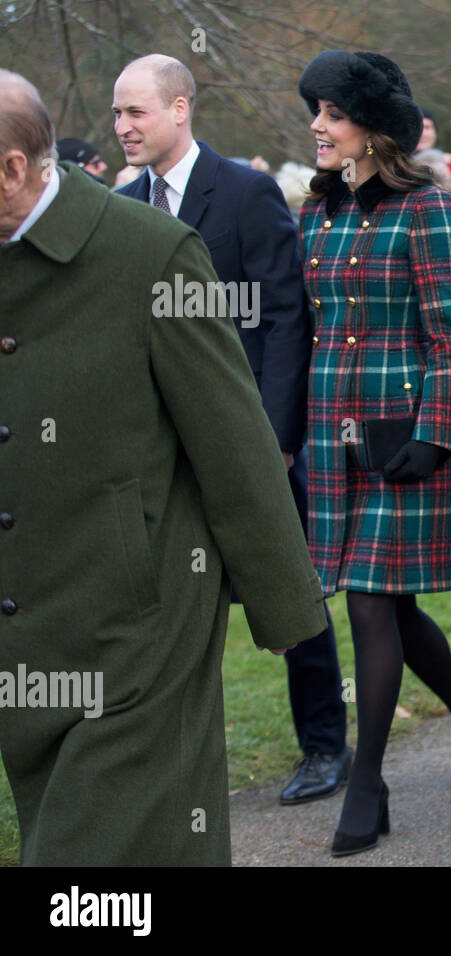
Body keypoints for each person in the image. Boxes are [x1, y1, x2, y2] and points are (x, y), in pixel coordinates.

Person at [0, 69, 328, 865]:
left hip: (138, 626)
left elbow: (233, 440)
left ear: (12, 167)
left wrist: (285, 611)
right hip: (28, 634)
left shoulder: (151, 254)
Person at [112, 53, 351, 807]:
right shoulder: (121, 204)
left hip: (250, 438)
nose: (122, 127)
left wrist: (276, 437)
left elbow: (285, 317)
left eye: (136, 112)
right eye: (116, 114)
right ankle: (172, 761)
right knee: (166, 607)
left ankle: (324, 747)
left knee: (288, 595)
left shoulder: (245, 194)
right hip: (156, 452)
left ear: (180, 110)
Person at [297, 49, 451, 856]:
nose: (316, 125)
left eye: (332, 114)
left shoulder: (429, 209)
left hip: (407, 437)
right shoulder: (317, 212)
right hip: (333, 437)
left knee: (372, 604)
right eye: (315, 111)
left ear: (373, 130)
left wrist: (436, 431)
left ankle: (368, 783)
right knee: (388, 604)